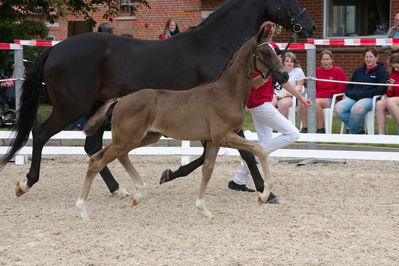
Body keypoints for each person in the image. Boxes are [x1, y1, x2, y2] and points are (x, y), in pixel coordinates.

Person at [228, 21, 312, 202]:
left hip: (265, 102)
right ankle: (254, 153)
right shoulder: (257, 51)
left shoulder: (272, 48)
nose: (271, 29)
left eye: (274, 26)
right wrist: (269, 72)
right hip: (258, 104)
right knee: (292, 134)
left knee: (266, 145)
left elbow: (284, 82)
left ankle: (238, 180)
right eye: (268, 26)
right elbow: (254, 83)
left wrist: (301, 97)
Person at [334, 47, 389, 134]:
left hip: (370, 99)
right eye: (366, 57)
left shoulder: (381, 71)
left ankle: (351, 132)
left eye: (371, 57)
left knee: (357, 108)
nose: (368, 59)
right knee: (338, 108)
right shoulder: (358, 71)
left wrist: (362, 94)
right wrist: (352, 94)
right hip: (354, 97)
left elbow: (381, 89)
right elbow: (349, 87)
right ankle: (358, 130)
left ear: (376, 57)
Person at [299, 50, 347, 133]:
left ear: (332, 60)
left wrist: (321, 94)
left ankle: (321, 129)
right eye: (323, 59)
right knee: (302, 102)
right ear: (320, 61)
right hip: (318, 97)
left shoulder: (338, 71)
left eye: (327, 59)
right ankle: (305, 128)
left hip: (333, 99)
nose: (325, 61)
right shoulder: (317, 71)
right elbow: (313, 88)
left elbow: (341, 89)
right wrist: (317, 95)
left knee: (316, 102)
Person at [272, 51, 305, 119]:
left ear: (294, 63)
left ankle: (282, 127)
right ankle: (270, 127)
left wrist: (285, 95)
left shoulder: (298, 71)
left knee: (283, 104)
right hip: (276, 95)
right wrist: (277, 96)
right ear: (283, 62)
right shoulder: (278, 70)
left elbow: (299, 87)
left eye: (291, 61)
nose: (289, 63)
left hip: (291, 96)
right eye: (287, 61)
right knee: (269, 104)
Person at [376, 53, 399, 134]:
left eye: (397, 67)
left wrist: (395, 84)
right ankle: (381, 135)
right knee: (379, 104)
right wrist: (390, 88)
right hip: (395, 98)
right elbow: (389, 95)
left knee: (390, 102)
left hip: (395, 100)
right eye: (394, 67)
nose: (395, 69)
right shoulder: (393, 73)